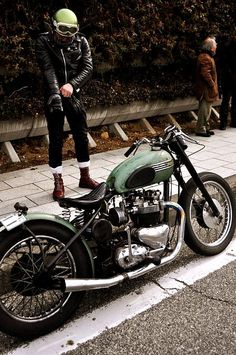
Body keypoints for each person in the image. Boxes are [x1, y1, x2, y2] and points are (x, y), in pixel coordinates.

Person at [36, 8, 99, 200]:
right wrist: (56, 92)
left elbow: (88, 67)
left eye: (71, 33)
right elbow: (47, 68)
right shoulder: (43, 41)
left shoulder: (82, 41)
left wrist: (72, 84)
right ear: (54, 27)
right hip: (53, 94)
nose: (67, 38)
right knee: (56, 138)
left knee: (81, 135)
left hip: (73, 93)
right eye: (63, 33)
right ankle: (58, 181)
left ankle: (85, 176)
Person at [195, 36, 218, 137]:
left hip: (206, 88)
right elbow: (205, 73)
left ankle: (205, 127)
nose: (216, 46)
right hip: (205, 89)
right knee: (204, 109)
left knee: (207, 109)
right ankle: (200, 129)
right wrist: (212, 84)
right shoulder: (205, 57)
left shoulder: (207, 56)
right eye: (215, 45)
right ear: (211, 47)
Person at [217, 34, 236, 130]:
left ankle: (234, 121)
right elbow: (223, 63)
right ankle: (223, 123)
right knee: (226, 101)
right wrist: (231, 74)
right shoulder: (227, 46)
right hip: (228, 79)